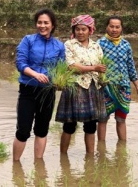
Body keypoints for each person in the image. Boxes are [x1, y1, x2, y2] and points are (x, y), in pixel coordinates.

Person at [13, 8, 65, 161]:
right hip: (28, 90)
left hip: (47, 92)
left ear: (53, 25)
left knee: (42, 130)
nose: (42, 26)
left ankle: (39, 164)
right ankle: (15, 166)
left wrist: (59, 81)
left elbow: (61, 68)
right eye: (39, 22)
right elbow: (20, 63)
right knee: (23, 130)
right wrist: (35, 74)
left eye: (46, 23)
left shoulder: (59, 46)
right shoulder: (28, 40)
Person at [55, 14, 107, 154]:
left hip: (93, 88)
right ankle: (63, 158)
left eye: (84, 29)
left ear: (90, 30)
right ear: (74, 30)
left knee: (91, 126)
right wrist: (93, 68)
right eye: (77, 29)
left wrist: (103, 77)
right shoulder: (69, 45)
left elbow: (102, 65)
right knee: (69, 125)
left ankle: (89, 158)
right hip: (75, 88)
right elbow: (71, 66)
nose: (80, 32)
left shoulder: (96, 46)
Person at [97, 15, 138, 142]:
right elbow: (94, 65)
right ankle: (101, 151)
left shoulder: (126, 45)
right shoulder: (99, 44)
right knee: (102, 119)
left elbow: (131, 67)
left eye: (117, 27)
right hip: (105, 87)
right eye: (111, 26)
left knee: (121, 119)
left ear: (121, 28)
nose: (114, 29)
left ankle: (122, 150)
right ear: (107, 27)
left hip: (123, 87)